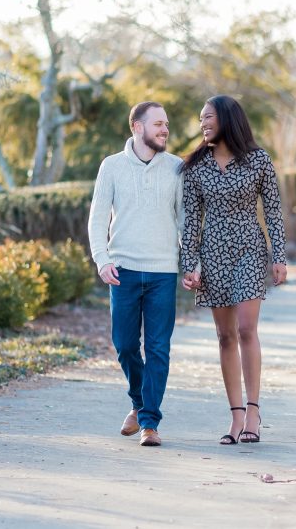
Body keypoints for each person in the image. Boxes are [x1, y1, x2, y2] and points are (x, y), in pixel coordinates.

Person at [180, 94, 288, 445]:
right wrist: (189, 265)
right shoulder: (196, 166)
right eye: (201, 118)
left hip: (250, 251)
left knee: (245, 329)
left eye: (208, 116)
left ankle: (254, 411)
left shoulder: (258, 161)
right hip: (212, 255)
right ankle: (236, 416)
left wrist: (279, 256)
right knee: (224, 336)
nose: (203, 123)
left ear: (226, 119)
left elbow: (272, 211)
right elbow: (191, 221)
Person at [88, 101, 184, 447]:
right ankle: (139, 403)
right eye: (158, 123)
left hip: (162, 272)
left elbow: (185, 221)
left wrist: (191, 264)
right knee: (125, 345)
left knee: (158, 348)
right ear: (138, 127)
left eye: (167, 124)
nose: (165, 130)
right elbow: (98, 216)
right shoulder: (111, 166)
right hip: (123, 270)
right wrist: (102, 259)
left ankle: (149, 423)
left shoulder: (176, 168)